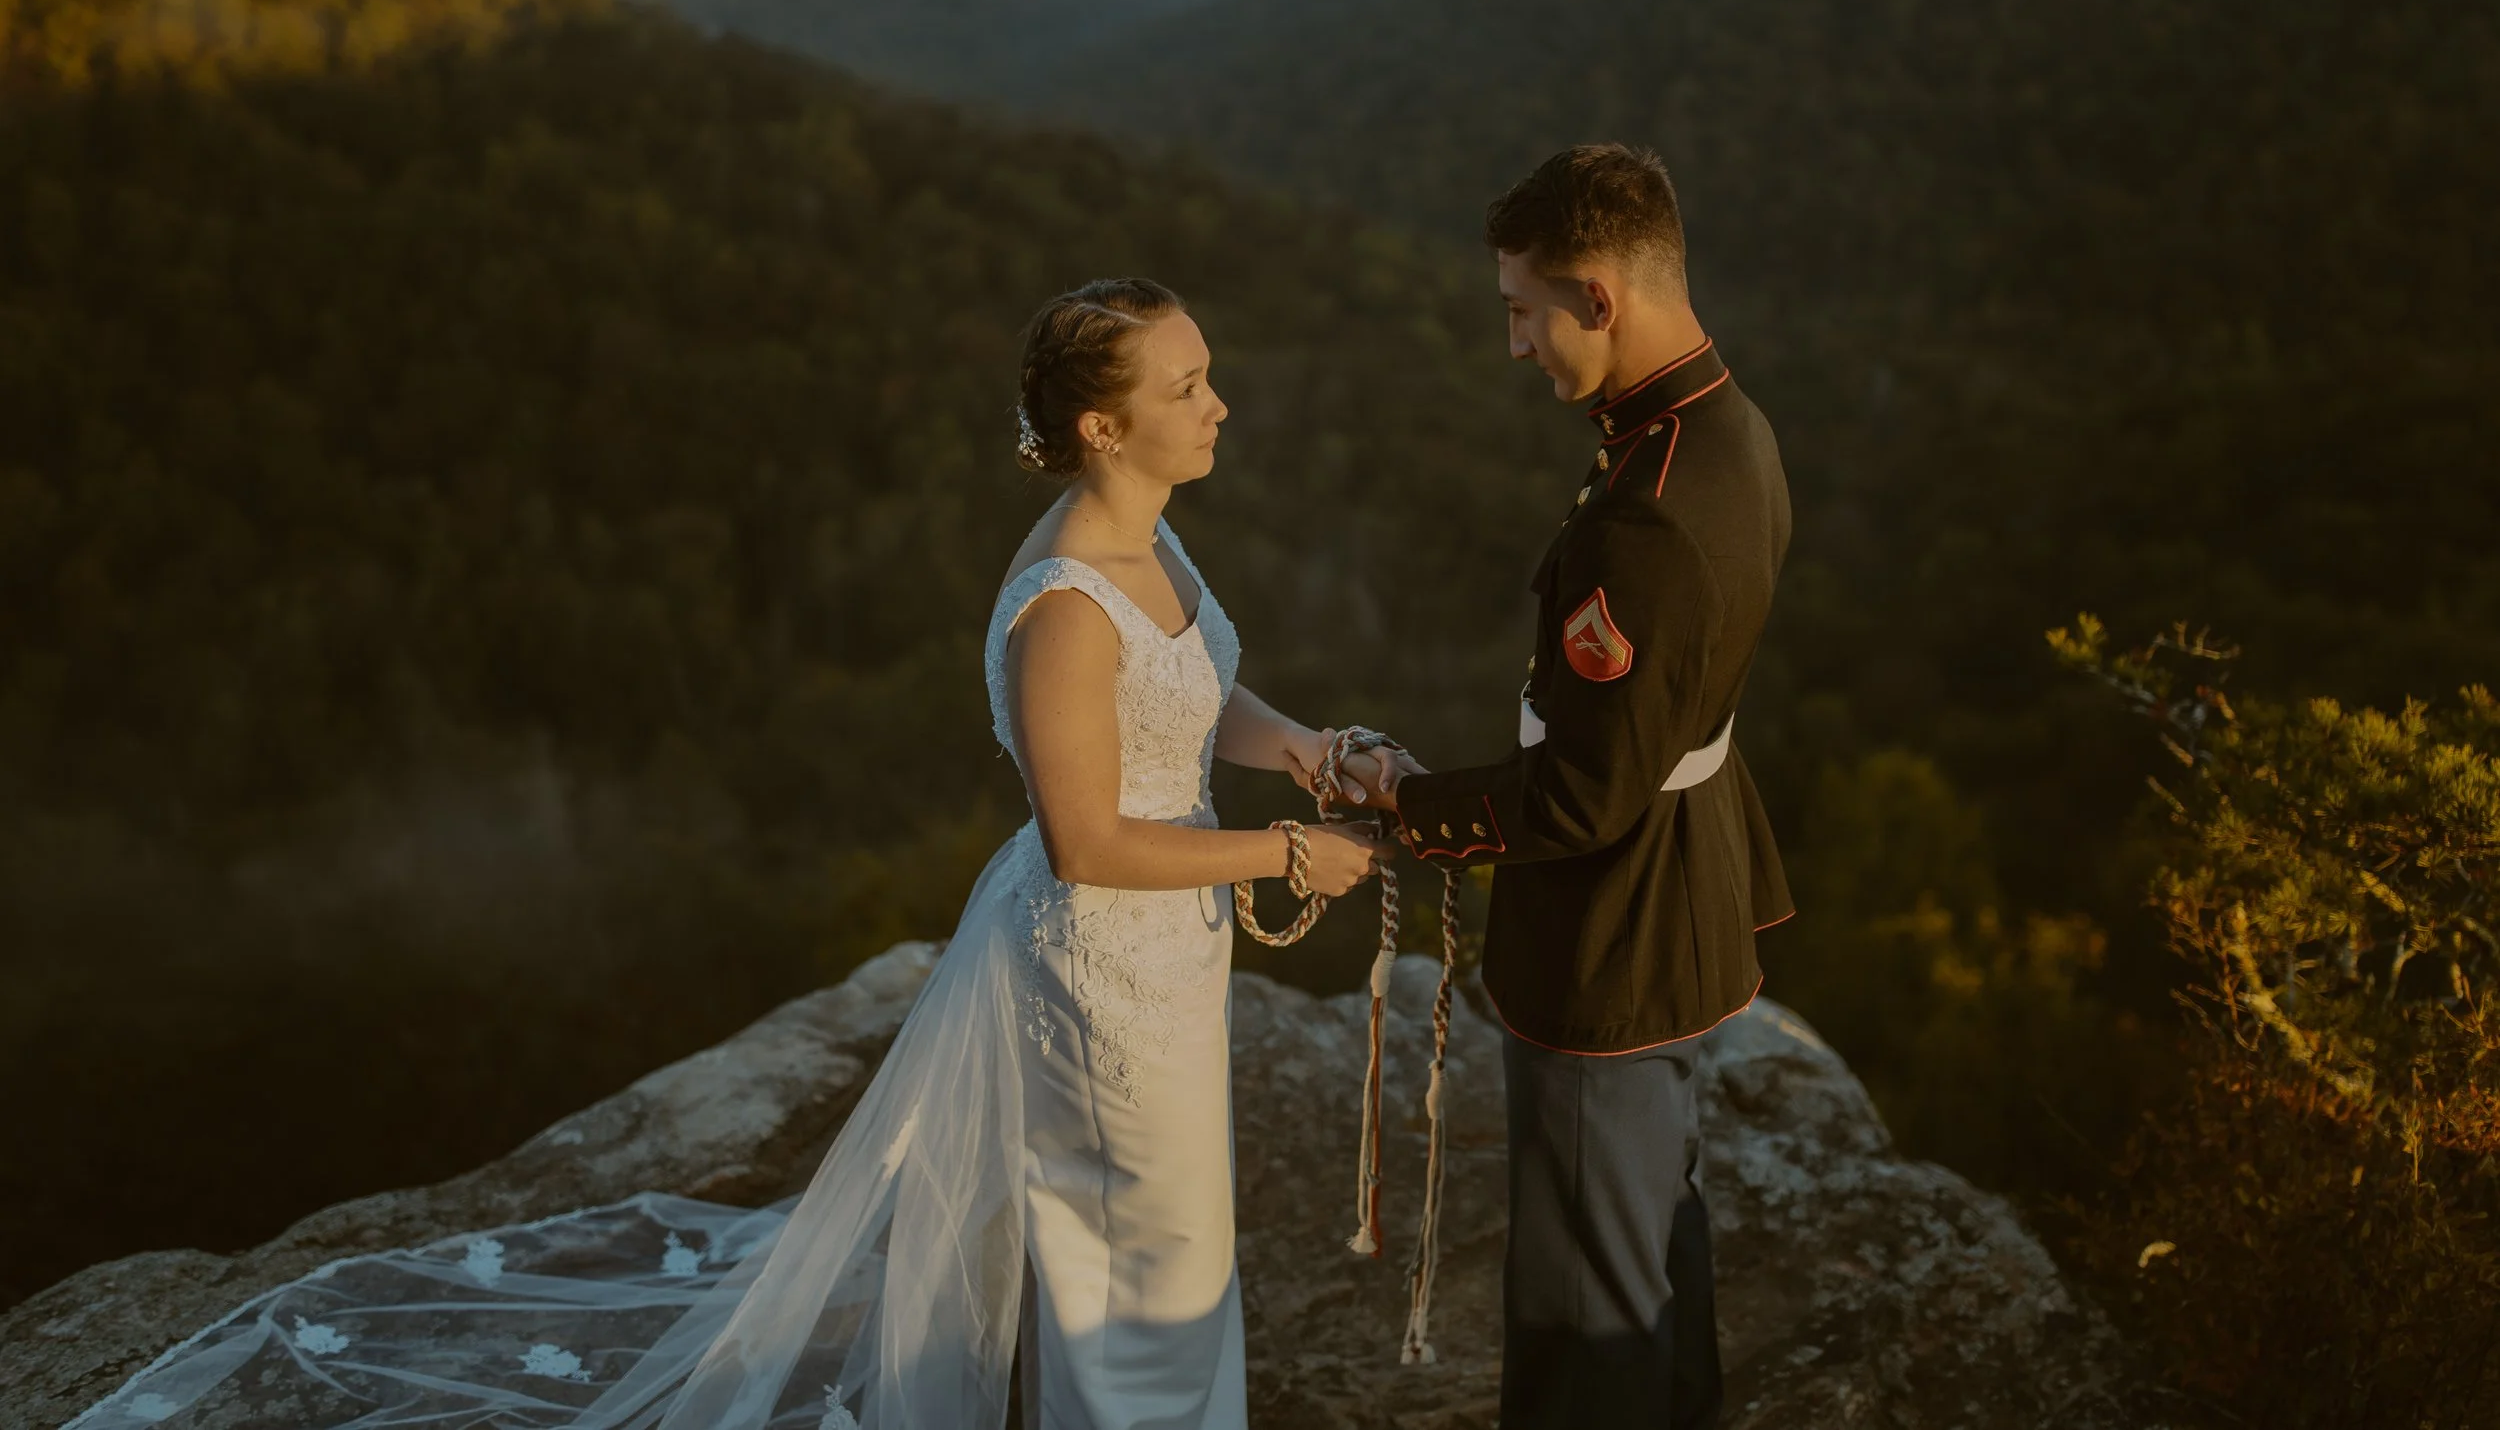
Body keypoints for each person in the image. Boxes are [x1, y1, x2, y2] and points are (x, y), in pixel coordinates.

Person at [68, 278, 1387, 1430]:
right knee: (1135, 1274)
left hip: (1171, 948)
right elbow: (1086, 840)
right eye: (1187, 385)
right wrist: (1282, 852)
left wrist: (1307, 750)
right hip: (1099, 968)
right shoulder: (1065, 608)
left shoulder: (1154, 537)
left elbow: (1187, 691)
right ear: (1102, 426)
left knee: (1170, 1251)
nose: (1219, 404)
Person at [1360, 145, 1794, 1430]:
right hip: (1682, 898)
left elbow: (1583, 796)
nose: (1514, 344)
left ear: (1597, 295)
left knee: (1583, 1308)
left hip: (1613, 936)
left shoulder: (1644, 512)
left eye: (1523, 309)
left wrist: (1408, 802)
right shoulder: (1725, 428)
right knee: (1651, 1253)